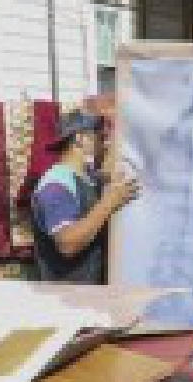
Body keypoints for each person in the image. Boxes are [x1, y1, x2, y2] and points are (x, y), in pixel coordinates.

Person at [31, 110, 139, 282]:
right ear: (81, 139)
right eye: (101, 137)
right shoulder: (56, 185)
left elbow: (107, 174)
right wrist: (107, 204)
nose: (106, 144)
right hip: (64, 299)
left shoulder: (88, 178)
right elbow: (67, 243)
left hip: (89, 295)